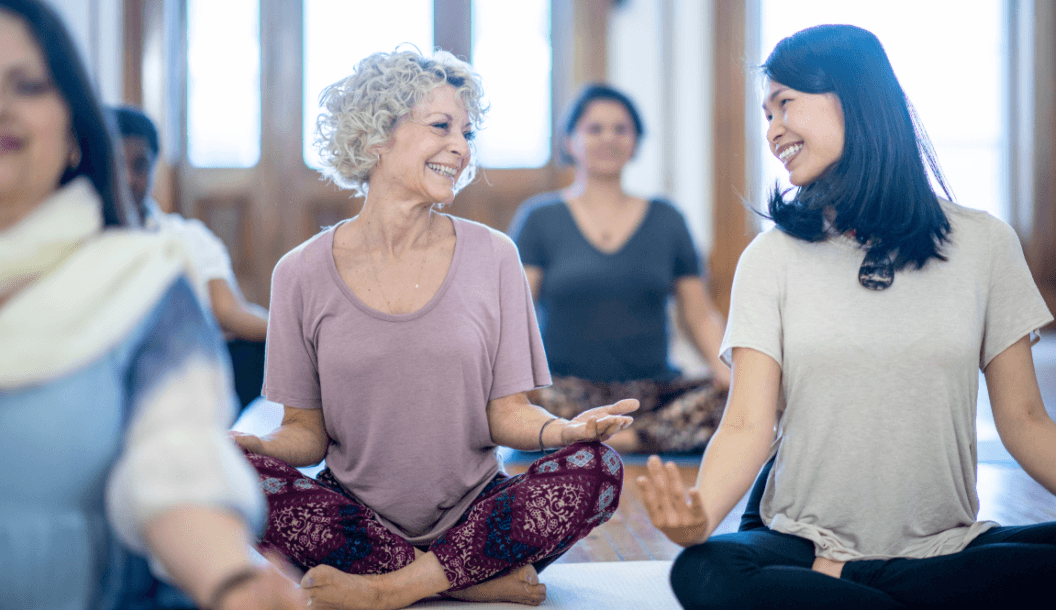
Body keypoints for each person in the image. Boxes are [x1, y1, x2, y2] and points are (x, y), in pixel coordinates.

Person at [637, 24, 1056, 609]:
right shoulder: (770, 257)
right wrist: (698, 518)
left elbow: (1026, 417)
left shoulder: (985, 244)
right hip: (799, 542)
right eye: (766, 114)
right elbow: (746, 425)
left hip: (947, 545)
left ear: (853, 98)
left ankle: (860, 587)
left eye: (786, 105)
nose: (773, 130)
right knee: (706, 571)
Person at [230, 48, 638, 610]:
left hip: (478, 517)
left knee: (598, 467)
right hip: (355, 522)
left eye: (468, 132)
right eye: (442, 126)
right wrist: (257, 445)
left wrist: (564, 433)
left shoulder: (495, 256)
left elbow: (508, 413)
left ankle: (392, 589)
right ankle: (474, 581)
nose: (462, 148)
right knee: (231, 476)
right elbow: (306, 433)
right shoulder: (299, 271)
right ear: (375, 135)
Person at [0, 1, 308, 609]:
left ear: (72, 132)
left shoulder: (142, 282)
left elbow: (175, 463)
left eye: (28, 84)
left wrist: (229, 578)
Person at [508, 83, 730, 454]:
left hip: (649, 395)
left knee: (734, 401)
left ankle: (611, 437)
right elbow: (515, 312)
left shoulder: (667, 218)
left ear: (636, 141)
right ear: (569, 141)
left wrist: (726, 369)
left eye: (621, 129)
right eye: (595, 129)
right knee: (511, 402)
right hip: (561, 393)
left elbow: (699, 314)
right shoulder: (539, 218)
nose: (608, 138)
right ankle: (618, 437)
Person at [110, 105, 269, 413]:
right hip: (115, 368)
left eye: (140, 166)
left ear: (155, 169)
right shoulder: (76, 236)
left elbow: (229, 311)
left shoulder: (188, 237)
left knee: (262, 351)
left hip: (187, 364)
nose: (129, 179)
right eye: (117, 165)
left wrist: (305, 336)